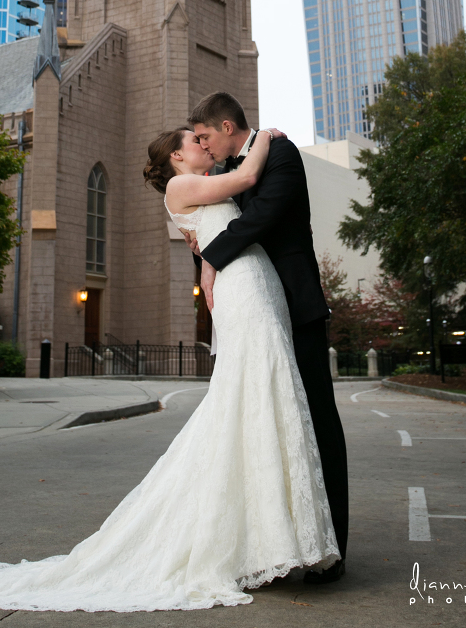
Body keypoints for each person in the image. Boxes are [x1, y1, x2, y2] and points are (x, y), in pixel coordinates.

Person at [0, 126, 338, 614]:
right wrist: (268, 136)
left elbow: (238, 219)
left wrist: (209, 260)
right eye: (198, 140)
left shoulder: (204, 179)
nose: (205, 146)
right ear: (177, 155)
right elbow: (250, 174)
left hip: (256, 283)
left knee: (263, 399)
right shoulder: (180, 186)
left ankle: (269, 535)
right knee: (248, 398)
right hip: (245, 290)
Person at [189, 91, 348, 583]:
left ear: (227, 127)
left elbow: (265, 216)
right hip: (253, 312)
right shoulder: (221, 173)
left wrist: (210, 257)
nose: (202, 145)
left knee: (317, 422)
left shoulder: (281, 152)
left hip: (296, 308)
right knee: (266, 428)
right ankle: (276, 544)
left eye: (205, 136)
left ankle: (332, 549)